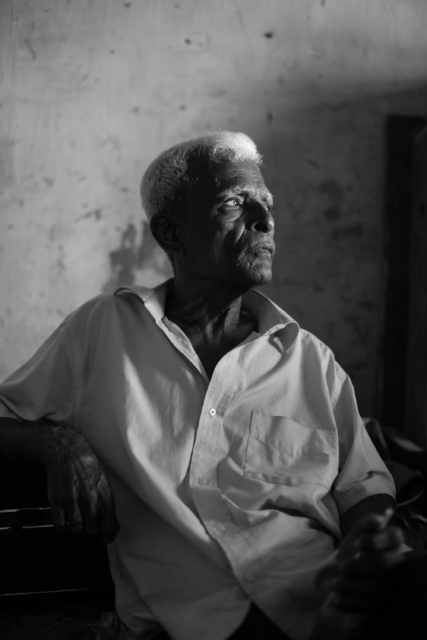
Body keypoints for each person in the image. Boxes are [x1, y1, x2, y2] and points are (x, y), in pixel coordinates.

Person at [0, 132, 425, 640]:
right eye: (233, 203)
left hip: (326, 598)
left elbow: (363, 485)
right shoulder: (102, 330)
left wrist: (372, 542)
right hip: (200, 620)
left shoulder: (309, 358)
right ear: (171, 233)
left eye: (267, 205)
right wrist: (59, 444)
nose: (265, 220)